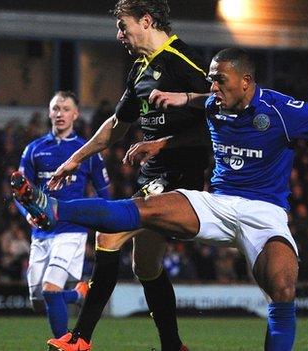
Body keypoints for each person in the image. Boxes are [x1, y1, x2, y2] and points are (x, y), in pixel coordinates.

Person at [12, 47, 308, 350]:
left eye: (221, 81)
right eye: (210, 81)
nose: (214, 88)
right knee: (146, 208)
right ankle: (52, 208)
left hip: (265, 213)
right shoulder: (214, 102)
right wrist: (159, 144)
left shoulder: (282, 110)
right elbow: (195, 101)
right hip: (218, 202)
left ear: (246, 81)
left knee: (283, 286)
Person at [38, 1, 210, 350]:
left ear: (146, 21)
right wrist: (75, 159)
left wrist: (163, 144)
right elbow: (117, 125)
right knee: (146, 267)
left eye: (123, 26)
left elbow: (219, 118)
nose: (119, 34)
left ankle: (80, 339)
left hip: (179, 178)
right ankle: (173, 346)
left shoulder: (185, 60)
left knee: (109, 234)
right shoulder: (139, 69)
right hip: (152, 178)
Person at [13, 91, 110, 341]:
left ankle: (67, 344)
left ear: (75, 114)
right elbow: (19, 191)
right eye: (55, 108)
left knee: (50, 289)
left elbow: (104, 191)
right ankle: (78, 295)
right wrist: (27, 214)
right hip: (41, 231)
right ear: (49, 112)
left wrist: (107, 225)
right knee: (37, 299)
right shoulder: (34, 149)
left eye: (66, 109)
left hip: (72, 229)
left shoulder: (87, 150)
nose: (60, 113)